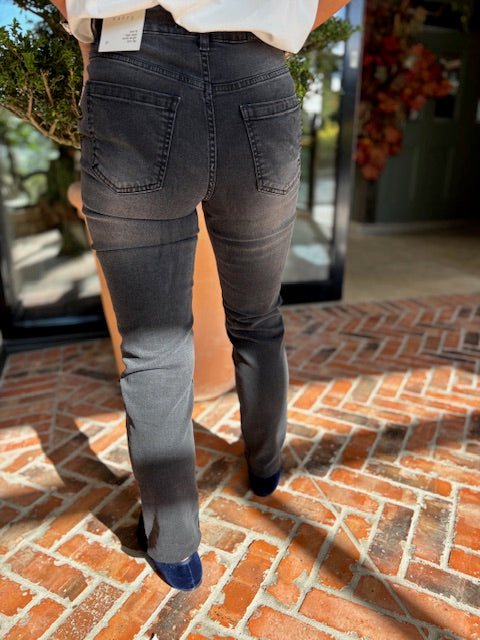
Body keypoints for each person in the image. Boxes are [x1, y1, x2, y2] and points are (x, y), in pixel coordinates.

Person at [50, 0, 350, 591]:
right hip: (258, 78)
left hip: (131, 68)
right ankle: (265, 468)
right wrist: (274, 24)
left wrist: (91, 52)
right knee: (258, 318)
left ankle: (175, 546)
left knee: (153, 348)